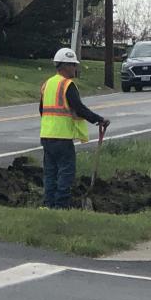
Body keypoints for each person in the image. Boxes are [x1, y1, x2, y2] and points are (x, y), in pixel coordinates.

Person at [39, 47, 110, 209]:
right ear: (64, 66)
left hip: (47, 136)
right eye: (73, 65)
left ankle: (48, 204)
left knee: (50, 172)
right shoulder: (67, 85)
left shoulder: (47, 84)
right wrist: (99, 120)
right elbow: (79, 108)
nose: (75, 68)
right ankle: (61, 205)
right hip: (62, 137)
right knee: (66, 172)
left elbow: (42, 109)